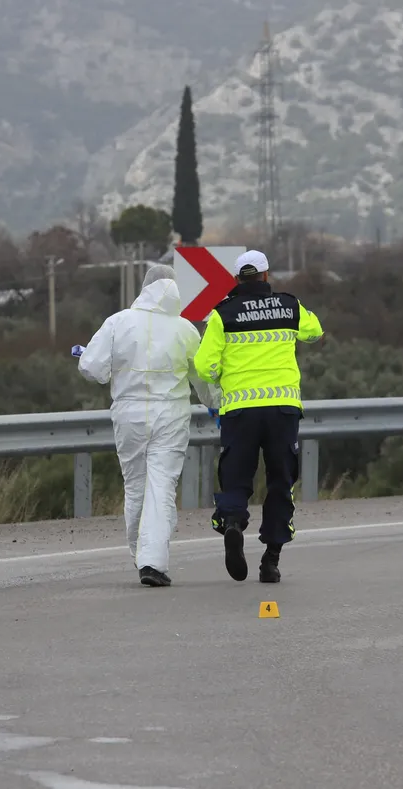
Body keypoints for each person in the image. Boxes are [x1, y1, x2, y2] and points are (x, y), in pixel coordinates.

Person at [75, 264, 221, 587]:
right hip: (171, 416)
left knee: (136, 486)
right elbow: (204, 382)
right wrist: (218, 404)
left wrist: (87, 357)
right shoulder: (186, 330)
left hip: (127, 415)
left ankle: (140, 554)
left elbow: (93, 369)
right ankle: (152, 560)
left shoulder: (118, 322)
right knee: (161, 486)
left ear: (144, 288)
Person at [195, 249, 324, 584]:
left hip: (240, 410)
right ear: (266, 276)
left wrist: (226, 374)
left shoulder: (222, 314)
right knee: (282, 481)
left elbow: (203, 366)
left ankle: (234, 523)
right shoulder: (289, 306)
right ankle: (271, 560)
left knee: (237, 476)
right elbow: (315, 332)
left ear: (238, 279)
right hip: (283, 410)